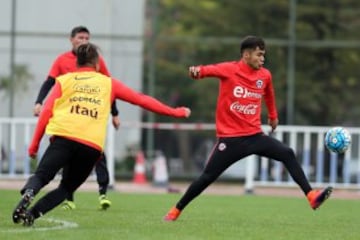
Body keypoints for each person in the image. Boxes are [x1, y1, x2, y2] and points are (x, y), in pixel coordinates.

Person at [12, 42, 191, 226]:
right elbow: (141, 100)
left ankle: (29, 193)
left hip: (63, 138)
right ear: (97, 64)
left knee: (41, 176)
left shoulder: (64, 81)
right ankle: (31, 215)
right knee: (66, 188)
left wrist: (34, 145)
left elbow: (46, 112)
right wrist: (175, 112)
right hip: (90, 146)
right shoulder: (108, 83)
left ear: (77, 63)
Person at [163, 35, 332, 222]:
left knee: (287, 153)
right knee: (206, 178)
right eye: (259, 55)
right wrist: (196, 71)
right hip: (230, 140)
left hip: (254, 136)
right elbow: (207, 70)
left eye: (263, 55)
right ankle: (176, 210)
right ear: (246, 54)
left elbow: (269, 94)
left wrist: (273, 116)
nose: (262, 58)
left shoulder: (265, 75)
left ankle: (311, 196)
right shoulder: (229, 69)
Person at [32, 26, 119, 210]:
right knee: (66, 155)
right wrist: (39, 102)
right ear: (71, 39)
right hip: (69, 115)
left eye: (87, 37)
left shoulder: (96, 59)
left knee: (97, 154)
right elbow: (49, 82)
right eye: (80, 37)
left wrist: (115, 113)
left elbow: (109, 88)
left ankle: (103, 193)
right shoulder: (62, 61)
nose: (84, 40)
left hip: (90, 115)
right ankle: (68, 197)